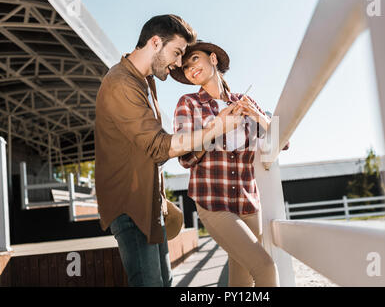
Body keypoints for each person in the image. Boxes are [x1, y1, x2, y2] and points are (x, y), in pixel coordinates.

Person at [95, 16, 243, 287]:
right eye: (176, 53)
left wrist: (161, 200)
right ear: (155, 42)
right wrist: (216, 128)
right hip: (130, 208)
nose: (178, 64)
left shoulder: (144, 81)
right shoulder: (121, 84)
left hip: (151, 205)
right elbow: (158, 147)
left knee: (166, 282)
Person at [171, 41, 288, 287]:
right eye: (185, 67)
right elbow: (185, 157)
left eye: (194, 59)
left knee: (242, 280)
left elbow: (282, 143)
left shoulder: (245, 101)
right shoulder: (188, 103)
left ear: (213, 59)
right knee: (265, 267)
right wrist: (216, 127)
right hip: (213, 201)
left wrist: (259, 118)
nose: (190, 68)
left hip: (248, 203)